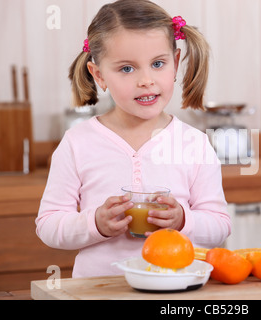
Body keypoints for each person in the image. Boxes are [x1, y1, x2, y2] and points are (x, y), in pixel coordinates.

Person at [36, 0, 230, 278]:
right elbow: (48, 225)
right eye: (127, 69)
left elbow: (220, 225)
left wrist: (184, 220)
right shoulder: (77, 143)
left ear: (175, 64)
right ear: (99, 75)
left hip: (174, 290)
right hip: (97, 294)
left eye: (158, 64)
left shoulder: (194, 144)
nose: (146, 80)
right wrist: (95, 224)